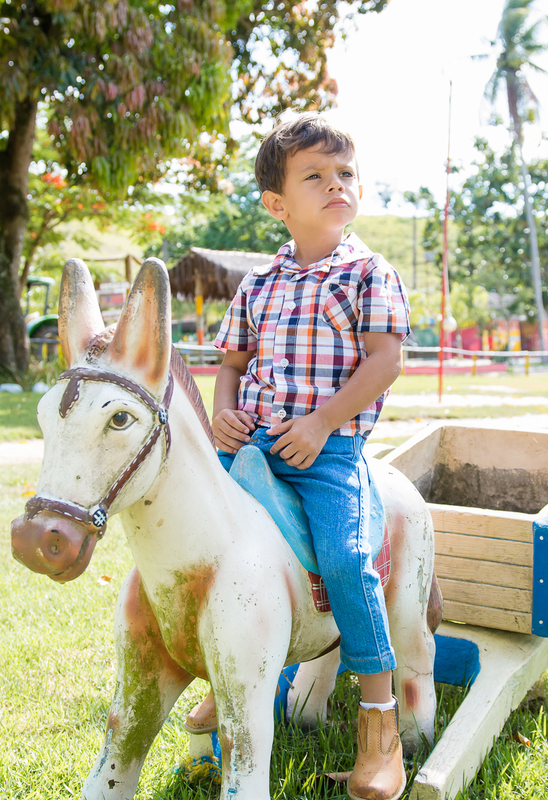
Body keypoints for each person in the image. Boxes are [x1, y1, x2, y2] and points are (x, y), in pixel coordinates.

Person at [199, 114, 411, 800]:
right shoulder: (257, 284)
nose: (336, 185)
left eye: (345, 173)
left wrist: (322, 424)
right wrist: (222, 411)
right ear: (276, 204)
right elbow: (231, 364)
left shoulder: (369, 274)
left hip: (329, 452)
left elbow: (385, 363)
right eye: (315, 176)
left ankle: (379, 723)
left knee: (349, 558)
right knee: (209, 549)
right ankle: (225, 679)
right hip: (255, 444)